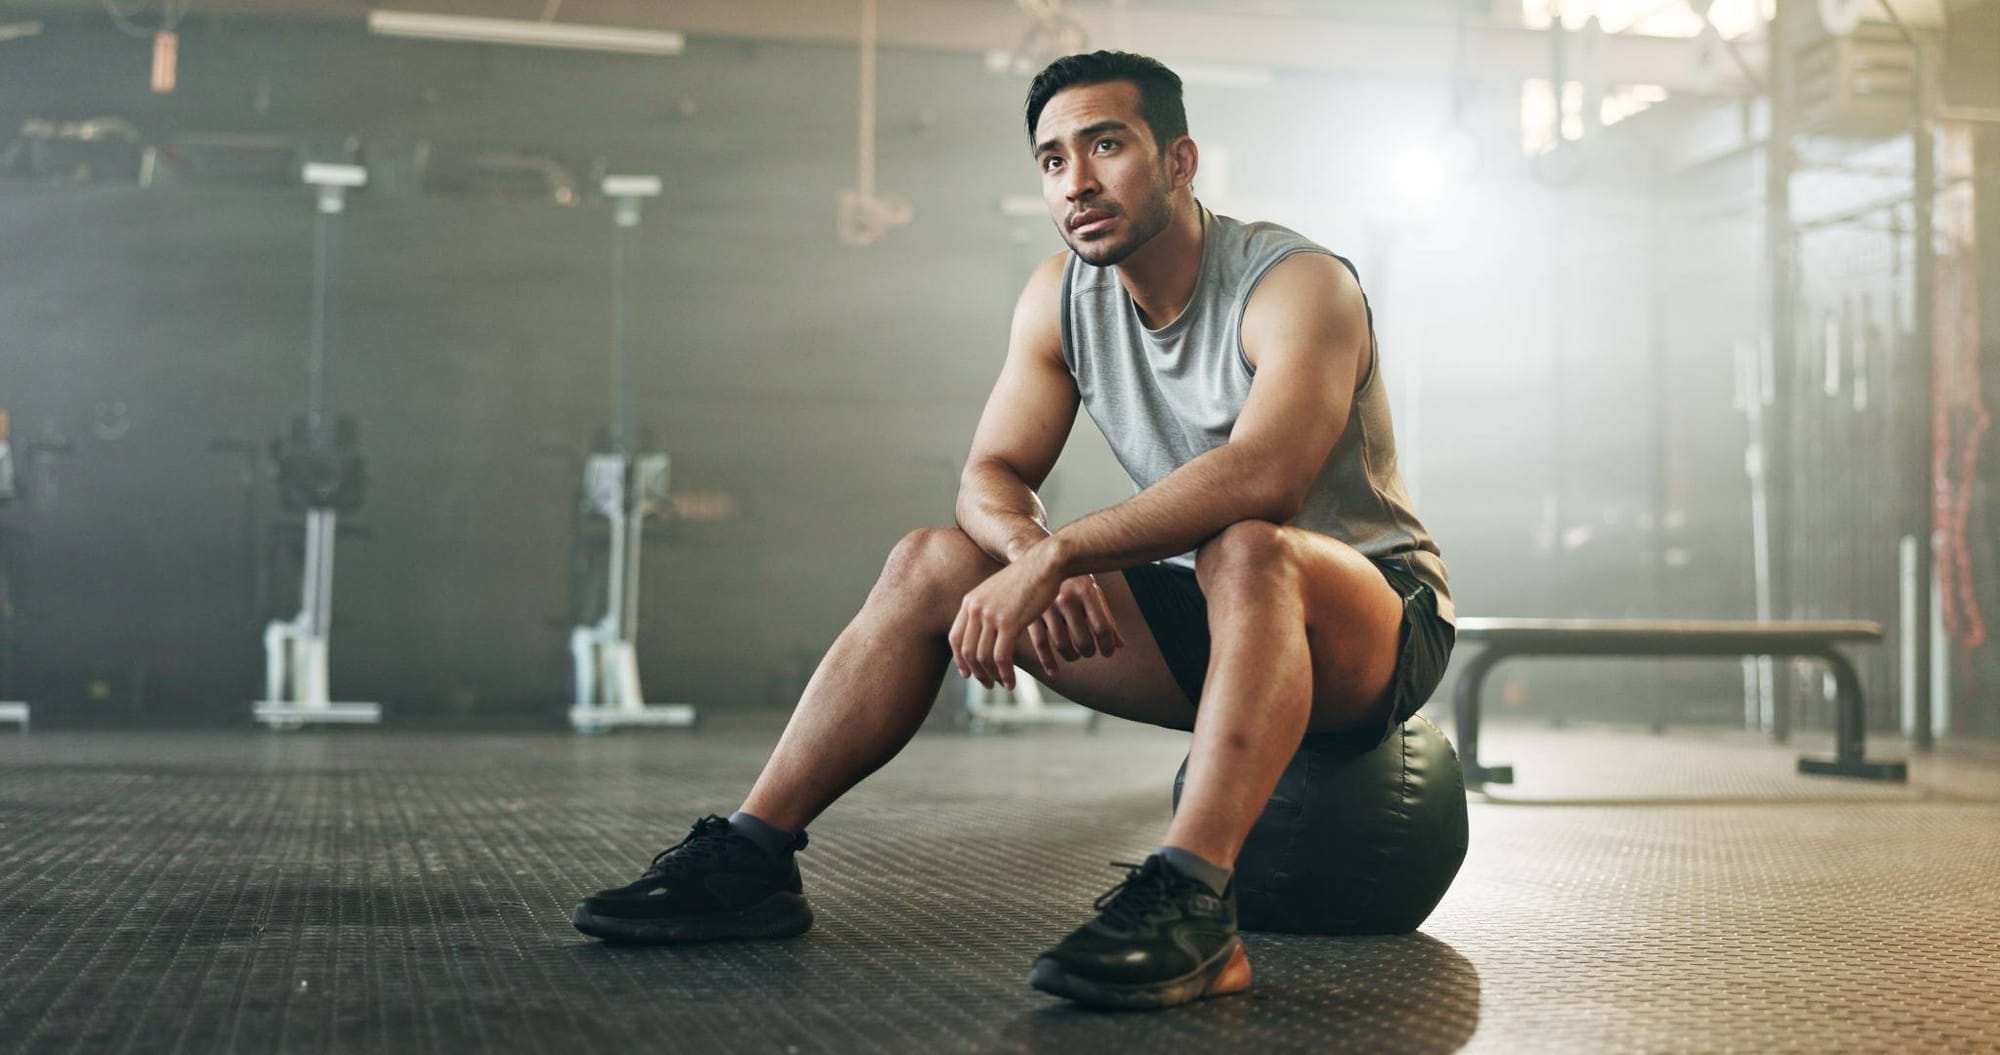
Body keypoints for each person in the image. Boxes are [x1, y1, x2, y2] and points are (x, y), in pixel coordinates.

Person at [571, 50, 1455, 1012]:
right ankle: (752, 857)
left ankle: (1194, 905)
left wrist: (1068, 550)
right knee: (931, 561)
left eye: (1106, 145)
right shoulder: (1061, 297)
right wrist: (1029, 553)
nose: (1076, 181)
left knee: (1247, 546)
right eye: (1051, 160)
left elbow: (1266, 478)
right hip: (1213, 613)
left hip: (1375, 624)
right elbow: (988, 475)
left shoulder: (1296, 284)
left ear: (1180, 161)